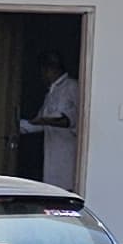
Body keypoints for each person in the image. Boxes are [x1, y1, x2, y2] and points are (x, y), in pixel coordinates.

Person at [21, 56, 82, 189]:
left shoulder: (72, 87)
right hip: (52, 154)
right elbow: (39, 123)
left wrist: (51, 121)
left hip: (68, 152)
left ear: (51, 69)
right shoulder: (51, 92)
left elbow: (76, 119)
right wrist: (19, 126)